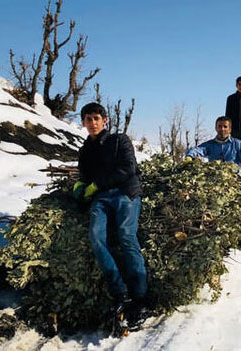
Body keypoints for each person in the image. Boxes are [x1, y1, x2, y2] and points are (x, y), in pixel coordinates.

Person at [71, 102, 148, 332]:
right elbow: (84, 176)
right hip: (102, 199)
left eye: (96, 118)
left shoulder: (119, 140)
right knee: (96, 238)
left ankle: (141, 300)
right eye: (88, 119)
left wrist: (96, 184)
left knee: (126, 236)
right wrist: (79, 187)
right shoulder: (85, 150)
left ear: (105, 120)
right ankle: (120, 292)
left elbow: (128, 168)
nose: (92, 123)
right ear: (83, 123)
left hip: (126, 192)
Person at [186, 116, 241, 183]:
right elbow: (198, 150)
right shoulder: (210, 145)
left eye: (225, 126)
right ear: (216, 128)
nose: (222, 129)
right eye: (220, 126)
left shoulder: (238, 144)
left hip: (234, 179)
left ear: (230, 129)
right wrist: (189, 156)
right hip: (215, 180)